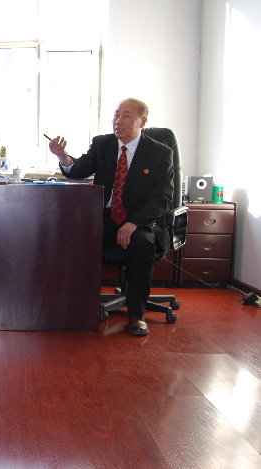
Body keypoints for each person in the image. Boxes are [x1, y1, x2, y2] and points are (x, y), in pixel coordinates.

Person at [48, 98, 174, 336]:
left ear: (142, 122)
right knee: (75, 237)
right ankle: (77, 306)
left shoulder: (160, 153)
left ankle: (136, 315)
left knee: (141, 243)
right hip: (106, 217)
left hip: (140, 220)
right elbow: (79, 170)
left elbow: (162, 198)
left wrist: (133, 223)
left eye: (126, 115)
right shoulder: (103, 144)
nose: (118, 121)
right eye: (116, 115)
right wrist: (63, 156)